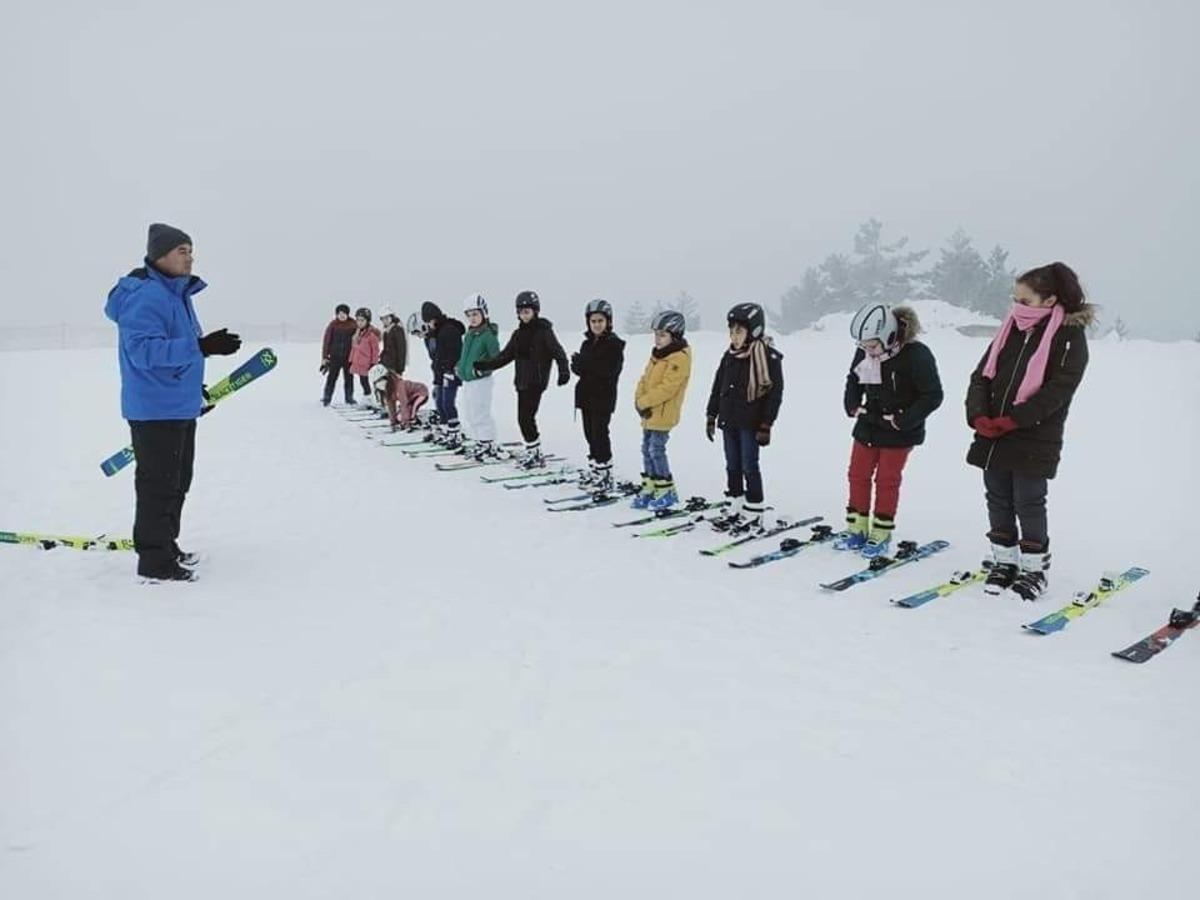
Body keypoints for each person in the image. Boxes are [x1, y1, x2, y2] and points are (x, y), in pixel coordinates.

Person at [103, 222, 242, 583]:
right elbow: (143, 351)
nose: (190, 258)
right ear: (159, 254)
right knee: (158, 486)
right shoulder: (147, 296)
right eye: (183, 251)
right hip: (153, 409)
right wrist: (200, 346)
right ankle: (154, 561)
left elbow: (178, 357)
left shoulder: (176, 294)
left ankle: (166, 545)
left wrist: (193, 390)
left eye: (191, 250)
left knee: (178, 481)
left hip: (175, 404)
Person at [966, 262, 1093, 600]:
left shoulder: (1068, 336)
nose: (1016, 306)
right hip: (992, 432)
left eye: (1025, 300)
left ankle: (1034, 569)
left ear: (1050, 300)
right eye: (1014, 298)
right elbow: (981, 375)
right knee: (998, 497)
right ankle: (1005, 561)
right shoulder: (1010, 329)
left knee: (1029, 501)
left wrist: (1015, 419)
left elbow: (1059, 389)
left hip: (1034, 433)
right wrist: (978, 416)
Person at [836, 303, 943, 557]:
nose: (866, 352)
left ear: (889, 337)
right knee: (857, 475)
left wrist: (903, 420)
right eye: (862, 347)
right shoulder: (866, 350)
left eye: (871, 346)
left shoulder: (917, 355)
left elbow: (933, 395)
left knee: (886, 480)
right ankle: (857, 529)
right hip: (868, 424)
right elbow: (854, 378)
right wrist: (851, 404)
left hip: (899, 430)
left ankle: (881, 533)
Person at [705, 303, 784, 531]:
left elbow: (775, 394)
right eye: (731, 331)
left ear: (754, 331)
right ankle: (735, 502)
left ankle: (755, 507)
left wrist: (767, 424)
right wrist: (711, 414)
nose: (734, 336)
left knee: (750, 465)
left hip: (751, 423)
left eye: (739, 331)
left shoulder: (769, 357)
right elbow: (717, 386)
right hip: (728, 420)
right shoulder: (729, 355)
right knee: (732, 464)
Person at [474, 291, 570, 469]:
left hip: (536, 382)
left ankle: (535, 453)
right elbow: (505, 356)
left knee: (526, 418)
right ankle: (533, 450)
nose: (524, 315)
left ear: (535, 311)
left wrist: (564, 371)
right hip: (522, 382)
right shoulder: (518, 334)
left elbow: (558, 352)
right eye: (521, 312)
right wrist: (485, 365)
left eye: (527, 311)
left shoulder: (544, 331)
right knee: (523, 418)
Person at [632, 310, 692, 510]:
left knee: (656, 450)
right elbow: (645, 379)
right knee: (646, 450)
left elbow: (668, 388)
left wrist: (645, 401)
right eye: (656, 334)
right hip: (649, 413)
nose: (657, 339)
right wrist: (638, 399)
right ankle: (651, 487)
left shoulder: (679, 358)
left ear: (674, 335)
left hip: (663, 413)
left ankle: (666, 490)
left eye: (662, 335)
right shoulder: (657, 355)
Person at [571, 299, 625, 492]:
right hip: (586, 396)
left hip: (602, 397)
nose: (596, 324)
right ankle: (595, 468)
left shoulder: (614, 345)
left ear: (608, 321)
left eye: (600, 321)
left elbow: (609, 370)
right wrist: (577, 366)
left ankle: (605, 472)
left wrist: (585, 364)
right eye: (593, 321)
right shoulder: (587, 343)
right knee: (589, 434)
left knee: (599, 433)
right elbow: (585, 369)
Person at [457, 293, 502, 460]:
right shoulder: (469, 335)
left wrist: (481, 371)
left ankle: (487, 442)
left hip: (481, 380)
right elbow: (465, 355)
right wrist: (460, 367)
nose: (472, 318)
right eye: (469, 315)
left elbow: (496, 359)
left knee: (480, 412)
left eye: (475, 314)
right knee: (469, 413)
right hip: (468, 380)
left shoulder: (488, 335)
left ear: (484, 313)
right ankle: (480, 441)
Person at [421, 302, 465, 447]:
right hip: (440, 373)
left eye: (430, 321)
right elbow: (435, 355)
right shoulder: (435, 333)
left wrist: (449, 368)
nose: (429, 324)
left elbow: (456, 351)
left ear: (436, 318)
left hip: (451, 372)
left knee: (447, 403)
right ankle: (447, 430)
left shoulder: (449, 330)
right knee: (439, 402)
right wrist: (427, 338)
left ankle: (455, 433)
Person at [320, 303, 358, 406]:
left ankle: (349, 397)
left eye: (344, 313)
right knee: (332, 378)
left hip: (349, 357)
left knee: (349, 378)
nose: (342, 316)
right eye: (340, 313)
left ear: (347, 314)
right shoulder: (333, 325)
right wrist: (324, 357)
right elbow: (326, 341)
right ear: (337, 314)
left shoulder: (353, 325)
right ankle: (327, 396)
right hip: (335, 357)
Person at [348, 307, 381, 406]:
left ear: (367, 321)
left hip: (367, 363)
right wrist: (351, 359)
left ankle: (373, 399)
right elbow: (354, 348)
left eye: (362, 320)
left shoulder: (371, 335)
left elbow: (375, 350)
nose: (359, 322)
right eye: (357, 320)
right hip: (358, 362)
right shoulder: (357, 333)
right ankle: (368, 398)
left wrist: (373, 363)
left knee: (368, 382)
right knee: (363, 382)